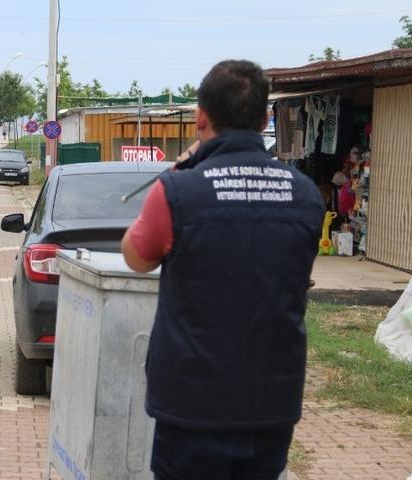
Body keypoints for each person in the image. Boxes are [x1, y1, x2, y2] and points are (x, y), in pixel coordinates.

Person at [121, 60, 324, 480]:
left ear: (201, 117)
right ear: (265, 120)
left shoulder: (177, 191)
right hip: (272, 402)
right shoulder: (305, 193)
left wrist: (181, 167)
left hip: (192, 404)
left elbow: (135, 258)